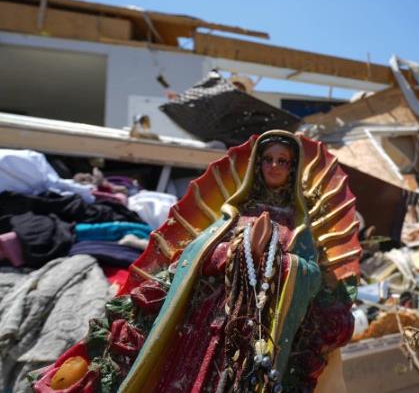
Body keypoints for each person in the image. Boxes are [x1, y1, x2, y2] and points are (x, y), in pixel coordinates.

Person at [34, 130, 358, 392]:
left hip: (259, 328)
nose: (273, 166)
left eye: (282, 161)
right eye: (268, 160)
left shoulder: (298, 227)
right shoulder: (233, 214)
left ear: (291, 169)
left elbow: (311, 275)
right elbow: (194, 254)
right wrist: (232, 253)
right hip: (203, 321)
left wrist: (277, 261)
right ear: (257, 165)